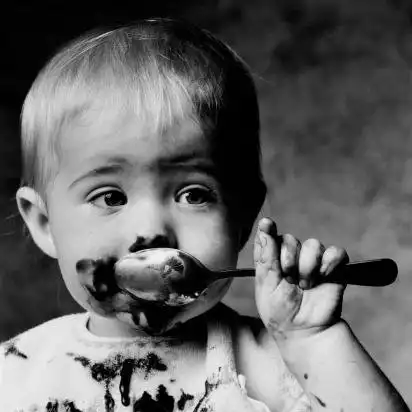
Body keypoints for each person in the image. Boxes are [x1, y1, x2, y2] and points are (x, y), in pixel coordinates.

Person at [1, 17, 408, 412]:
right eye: (110, 197)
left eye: (193, 195)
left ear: (242, 218)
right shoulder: (15, 375)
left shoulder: (272, 366)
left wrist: (315, 341)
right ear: (44, 223)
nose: (151, 232)